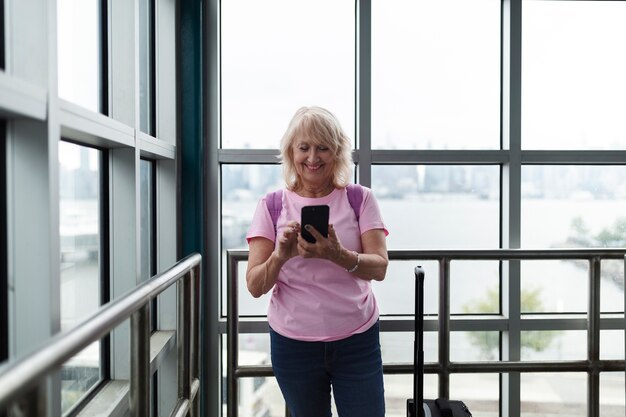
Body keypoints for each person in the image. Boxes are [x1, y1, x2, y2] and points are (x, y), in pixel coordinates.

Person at [245, 106, 389, 417]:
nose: (313, 157)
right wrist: (281, 256)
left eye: (323, 147)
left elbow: (379, 267)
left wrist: (336, 254)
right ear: (290, 152)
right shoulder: (271, 206)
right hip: (294, 346)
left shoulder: (359, 199)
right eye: (304, 147)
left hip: (357, 340)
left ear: (337, 152)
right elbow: (255, 285)